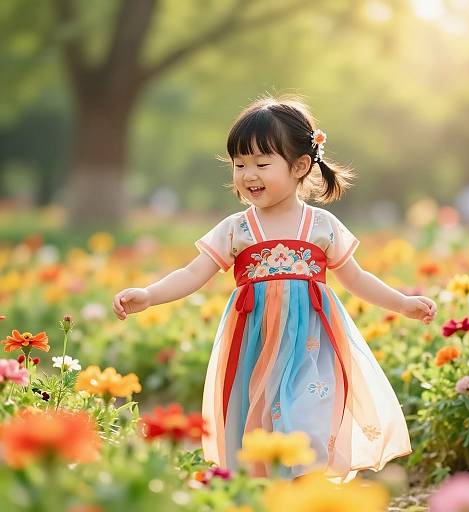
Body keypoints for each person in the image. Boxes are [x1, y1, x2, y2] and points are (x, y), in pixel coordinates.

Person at [112, 95, 437, 482]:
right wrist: (149, 295)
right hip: (255, 342)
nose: (249, 175)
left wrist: (403, 303)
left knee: (308, 414)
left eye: (262, 164)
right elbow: (192, 272)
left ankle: (305, 486)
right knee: (260, 420)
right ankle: (269, 491)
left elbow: (357, 278)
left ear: (300, 166)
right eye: (239, 164)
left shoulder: (322, 226)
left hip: (311, 344)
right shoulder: (238, 229)